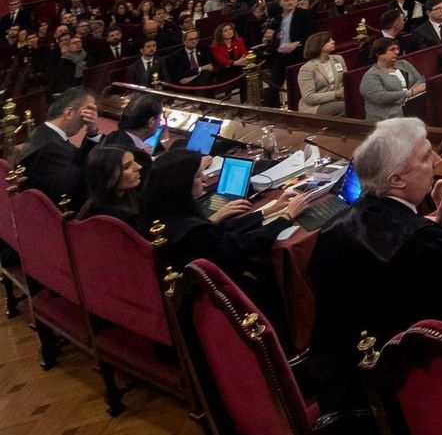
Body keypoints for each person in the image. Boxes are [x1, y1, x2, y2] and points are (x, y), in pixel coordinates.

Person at [308, 118, 442, 410]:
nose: (438, 161)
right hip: (397, 398)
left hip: (341, 378)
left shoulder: (334, 227)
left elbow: (408, 276)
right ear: (396, 180)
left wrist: (440, 222)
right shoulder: (422, 243)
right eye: (426, 156)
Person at [139, 149, 304, 313]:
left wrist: (268, 211)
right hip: (223, 299)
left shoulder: (161, 211)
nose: (204, 179)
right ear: (181, 184)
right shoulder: (193, 231)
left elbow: (219, 231)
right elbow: (247, 244)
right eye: (198, 176)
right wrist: (286, 216)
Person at [16, 87, 99, 211]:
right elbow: (84, 176)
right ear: (69, 113)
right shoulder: (53, 149)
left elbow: (78, 158)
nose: (87, 120)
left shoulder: (42, 132)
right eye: (87, 112)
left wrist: (93, 132)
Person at [361, 37, 427, 121]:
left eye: (397, 49)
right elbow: (380, 97)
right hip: (386, 117)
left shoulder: (404, 64)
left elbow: (419, 80)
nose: (397, 52)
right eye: (392, 49)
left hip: (411, 108)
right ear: (378, 53)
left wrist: (409, 97)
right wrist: (409, 93)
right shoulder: (371, 76)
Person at [76, 144, 143, 226]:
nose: (139, 167)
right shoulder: (110, 219)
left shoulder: (130, 196)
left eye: (134, 161)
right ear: (106, 179)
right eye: (126, 167)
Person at [100, 93, 164, 171]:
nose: (160, 122)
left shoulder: (112, 136)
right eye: (160, 117)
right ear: (151, 122)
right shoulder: (138, 157)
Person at [267, 0, 313, 88]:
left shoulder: (305, 15)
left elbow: (311, 34)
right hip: (279, 55)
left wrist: (297, 43)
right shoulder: (278, 17)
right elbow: (274, 35)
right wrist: (270, 36)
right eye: (287, 0)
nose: (290, 2)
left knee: (296, 86)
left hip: (297, 54)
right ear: (281, 3)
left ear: (296, 1)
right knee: (273, 86)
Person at [297, 31, 347, 117]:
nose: (333, 41)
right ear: (319, 45)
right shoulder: (307, 68)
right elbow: (309, 98)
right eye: (329, 41)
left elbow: (346, 81)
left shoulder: (338, 59)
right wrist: (335, 94)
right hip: (315, 107)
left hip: (338, 100)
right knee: (346, 106)